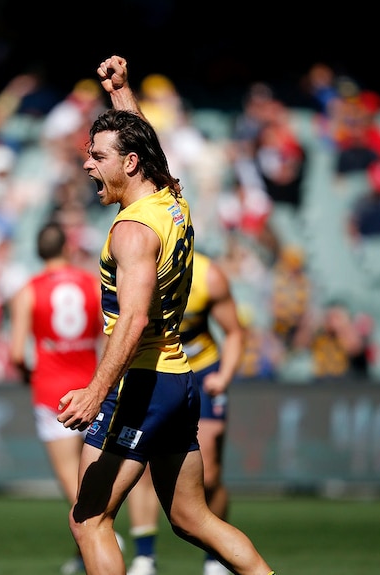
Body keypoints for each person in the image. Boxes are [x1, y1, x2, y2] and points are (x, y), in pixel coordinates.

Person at [56, 55, 275, 575]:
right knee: (191, 518)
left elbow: (131, 321)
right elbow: (145, 146)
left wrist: (95, 390)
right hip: (178, 378)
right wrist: (122, 94)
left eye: (98, 156)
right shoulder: (172, 201)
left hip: (142, 383)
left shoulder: (131, 230)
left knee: (89, 519)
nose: (88, 164)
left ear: (128, 164)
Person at [125, 250, 246, 575]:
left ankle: (214, 557)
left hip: (203, 372)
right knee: (140, 464)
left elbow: (234, 331)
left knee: (209, 471)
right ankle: (144, 556)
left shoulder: (209, 276)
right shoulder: (136, 269)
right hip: (155, 371)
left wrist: (225, 375)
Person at [8, 221, 103, 574]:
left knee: (71, 482)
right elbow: (107, 337)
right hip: (93, 388)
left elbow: (17, 353)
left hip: (52, 395)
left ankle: (99, 539)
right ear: (67, 247)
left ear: (38, 251)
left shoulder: (28, 292)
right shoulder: (92, 284)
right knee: (97, 472)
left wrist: (28, 377)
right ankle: (93, 546)